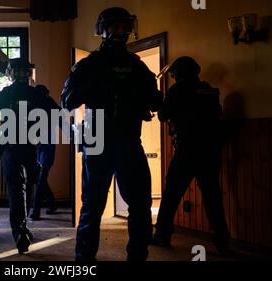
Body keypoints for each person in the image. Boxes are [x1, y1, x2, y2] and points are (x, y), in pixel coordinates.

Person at [61, 7, 163, 261]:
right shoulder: (89, 64)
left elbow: (156, 102)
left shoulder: (136, 67)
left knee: (140, 205)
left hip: (129, 139)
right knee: (92, 207)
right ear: (103, 31)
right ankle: (84, 260)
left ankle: (137, 257)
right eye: (115, 27)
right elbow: (67, 101)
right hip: (97, 141)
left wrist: (148, 95)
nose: (121, 32)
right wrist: (94, 85)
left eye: (124, 27)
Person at [151, 56, 230, 254]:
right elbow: (217, 114)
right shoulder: (208, 89)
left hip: (187, 150)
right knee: (212, 196)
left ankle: (162, 235)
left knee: (171, 194)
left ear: (178, 74)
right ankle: (222, 243)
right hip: (210, 150)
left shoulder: (176, 91)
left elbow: (162, 116)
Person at [0, 59, 58, 254]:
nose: (22, 75)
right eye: (19, 71)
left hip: (25, 148)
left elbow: (59, 115)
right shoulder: (10, 94)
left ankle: (22, 227)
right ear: (13, 73)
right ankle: (20, 231)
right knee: (19, 187)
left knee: (26, 185)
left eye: (25, 71)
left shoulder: (31, 95)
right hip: (13, 147)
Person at [30, 85, 58, 221]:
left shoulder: (46, 103)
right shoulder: (44, 102)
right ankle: (51, 203)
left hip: (46, 145)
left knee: (41, 178)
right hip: (39, 144)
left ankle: (36, 210)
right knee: (40, 177)